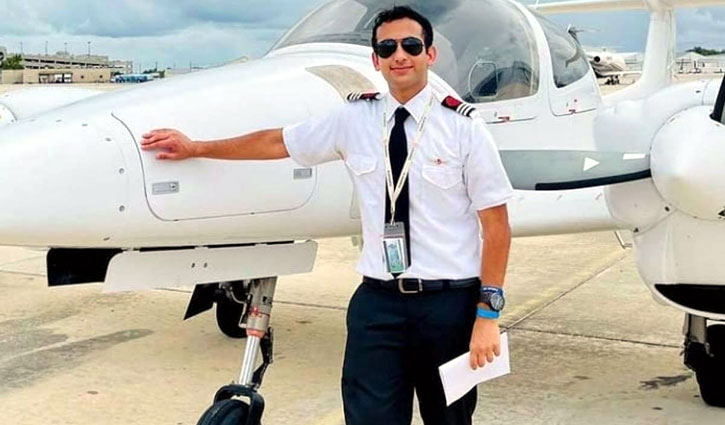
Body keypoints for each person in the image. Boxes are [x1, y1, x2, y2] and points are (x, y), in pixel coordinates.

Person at [141, 6, 513, 425]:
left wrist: (487, 314)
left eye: (411, 45)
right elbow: (277, 143)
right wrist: (197, 147)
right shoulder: (355, 118)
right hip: (378, 305)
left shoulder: (463, 127)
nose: (399, 55)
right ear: (375, 60)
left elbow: (496, 226)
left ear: (430, 54)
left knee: (449, 419)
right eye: (387, 48)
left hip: (449, 306)